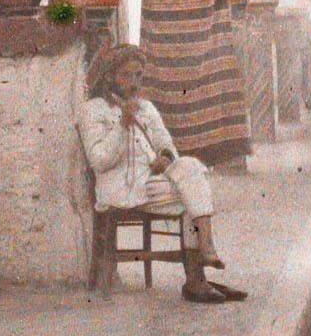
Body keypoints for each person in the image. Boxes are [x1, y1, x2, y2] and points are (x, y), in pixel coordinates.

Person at [79, 46, 245, 304]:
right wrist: (122, 126)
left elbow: (166, 143)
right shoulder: (94, 110)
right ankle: (198, 272)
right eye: (127, 75)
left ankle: (200, 268)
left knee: (189, 166)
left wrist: (165, 157)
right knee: (191, 195)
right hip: (119, 189)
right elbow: (99, 161)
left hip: (151, 185)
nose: (134, 83)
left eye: (138, 76)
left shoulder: (145, 108)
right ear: (110, 76)